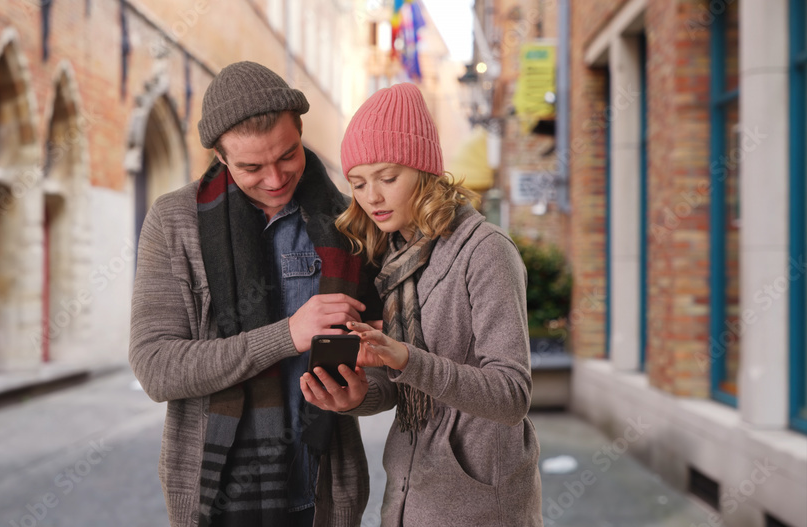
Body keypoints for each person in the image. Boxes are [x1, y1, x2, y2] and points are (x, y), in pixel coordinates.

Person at [130, 61, 381, 527]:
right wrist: (287, 335)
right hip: (216, 494)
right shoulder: (173, 222)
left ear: (300, 131)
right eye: (251, 166)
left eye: (287, 155)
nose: (274, 179)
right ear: (222, 158)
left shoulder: (350, 223)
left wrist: (360, 398)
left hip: (324, 489)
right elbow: (156, 368)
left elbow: (386, 365)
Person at [300, 82, 543, 526]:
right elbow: (399, 387)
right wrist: (358, 396)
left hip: (479, 499)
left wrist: (408, 359)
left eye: (388, 178)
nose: (371, 196)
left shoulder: (485, 251)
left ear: (425, 172)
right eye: (358, 182)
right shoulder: (392, 256)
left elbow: (512, 395)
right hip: (409, 493)